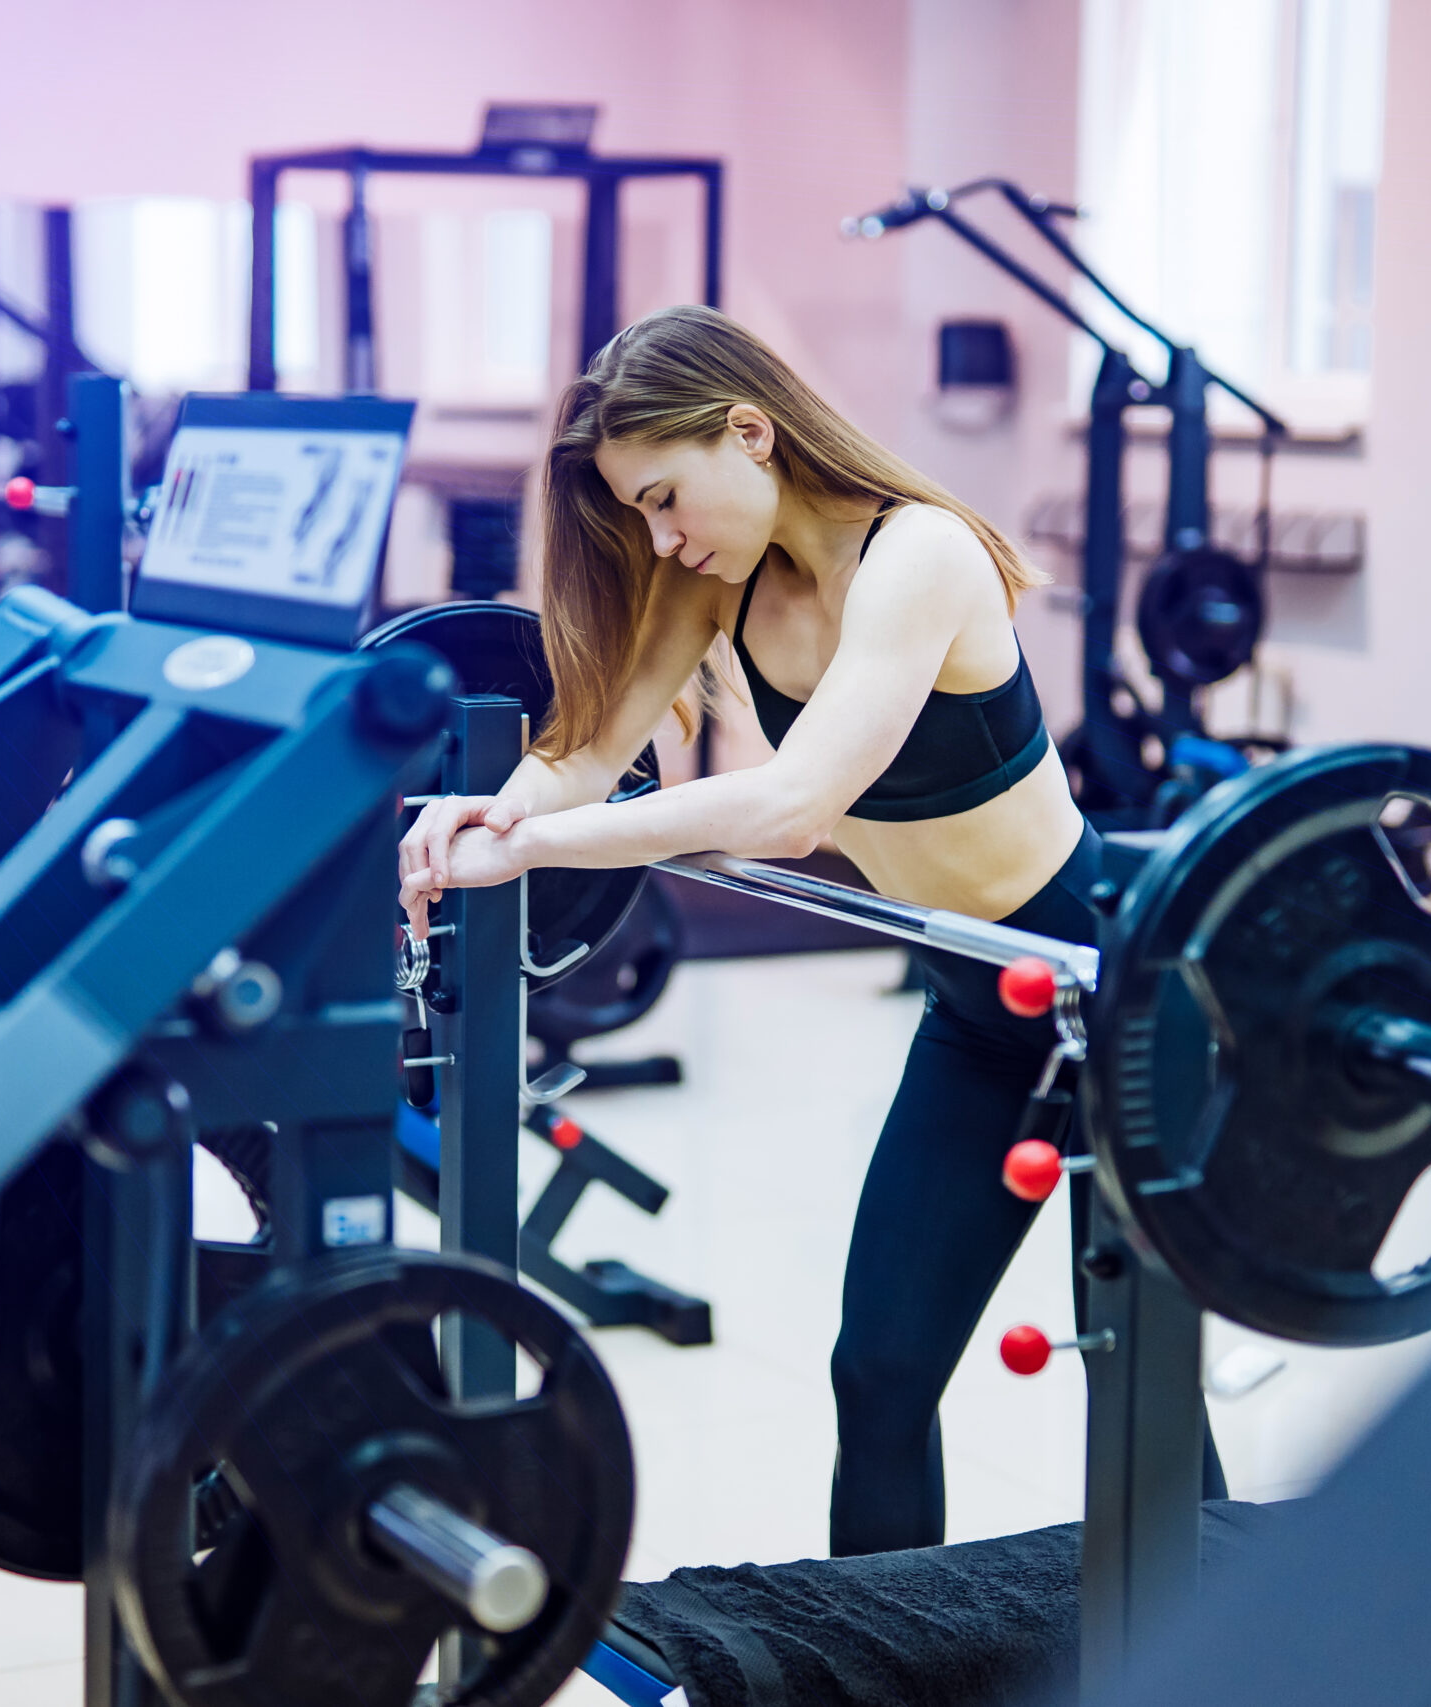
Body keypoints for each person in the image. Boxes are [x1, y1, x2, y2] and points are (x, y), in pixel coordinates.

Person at [398, 305, 1218, 1556]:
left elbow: (792, 807)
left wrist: (544, 844)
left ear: (749, 431)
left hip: (1109, 995)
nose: (661, 537)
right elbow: (590, 754)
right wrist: (484, 817)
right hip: (979, 1011)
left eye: (668, 497)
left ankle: (1246, 1655)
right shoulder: (714, 584)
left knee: (1139, 1386)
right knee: (880, 1376)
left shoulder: (922, 555)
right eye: (640, 515)